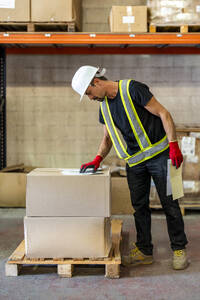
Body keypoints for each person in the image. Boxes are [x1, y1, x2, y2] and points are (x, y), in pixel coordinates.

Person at [71, 65, 189, 270]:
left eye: (89, 93)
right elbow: (107, 137)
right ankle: (144, 251)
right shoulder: (104, 108)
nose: (90, 98)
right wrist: (97, 158)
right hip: (135, 163)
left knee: (170, 203)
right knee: (139, 207)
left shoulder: (132, 89)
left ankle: (179, 249)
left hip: (161, 156)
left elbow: (163, 113)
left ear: (96, 82)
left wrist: (173, 145)